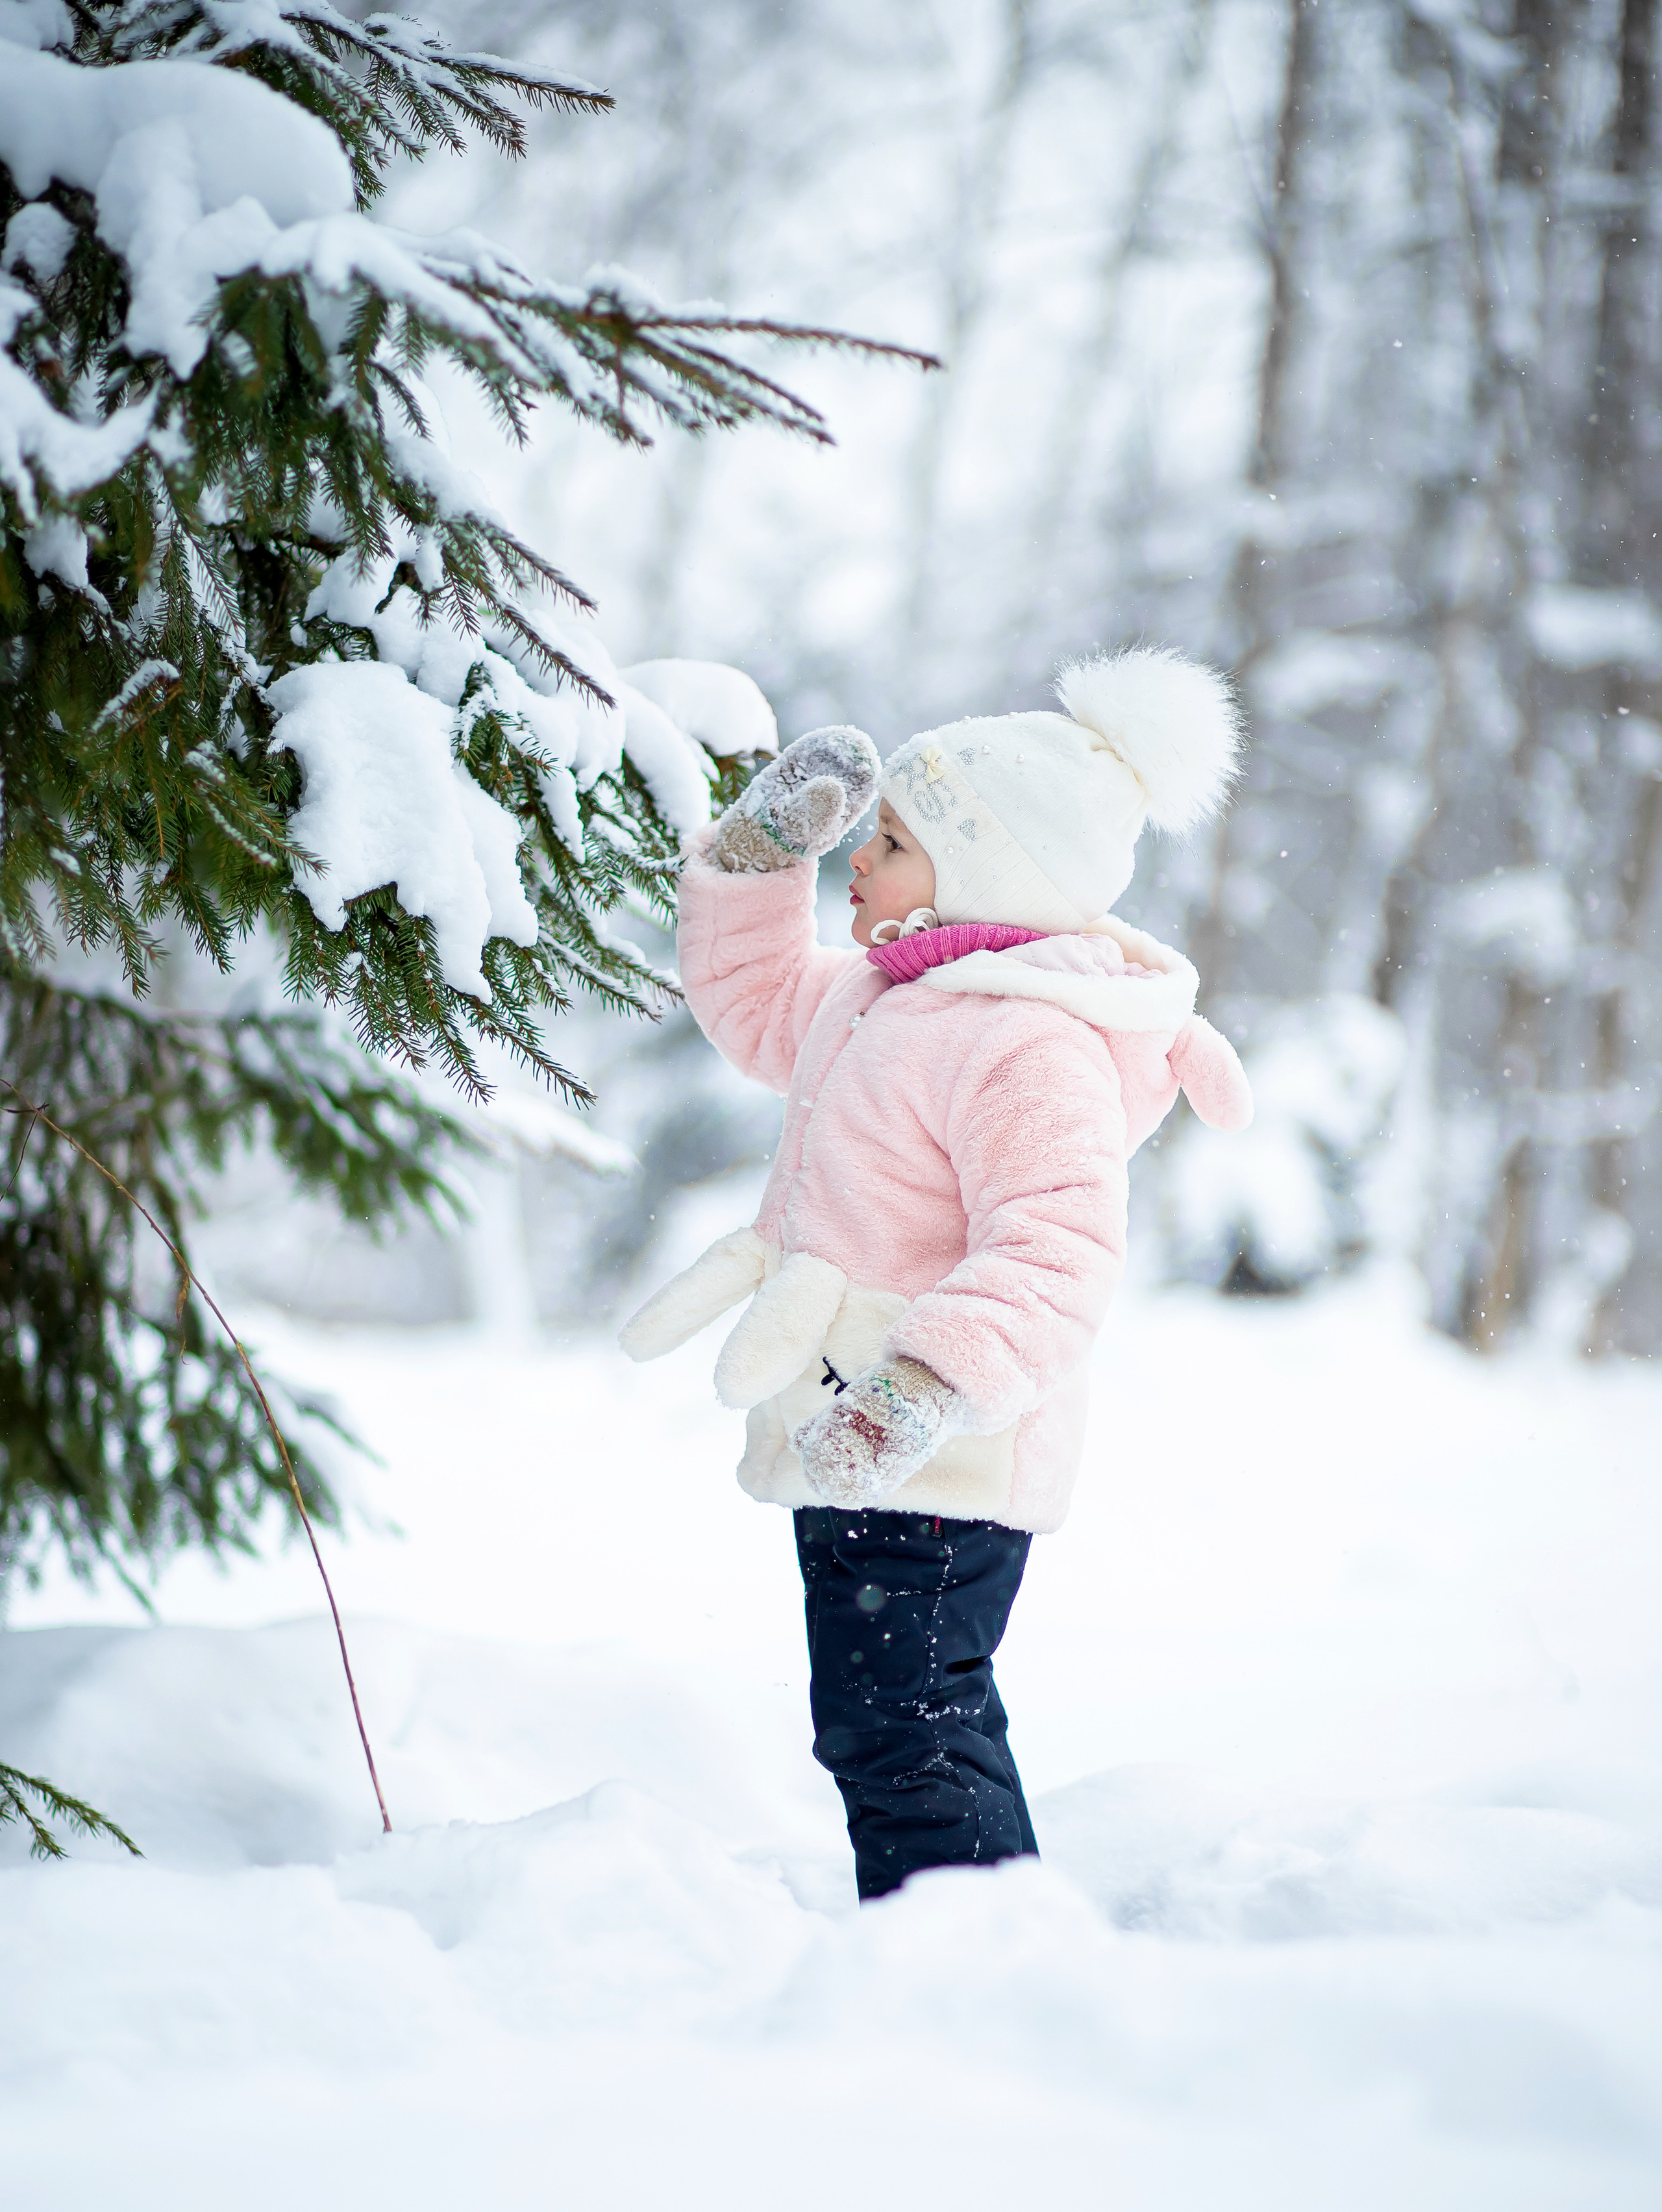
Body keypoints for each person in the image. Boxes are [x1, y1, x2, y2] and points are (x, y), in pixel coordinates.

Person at [621, 648, 1254, 1900]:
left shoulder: (1025, 1044)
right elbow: (754, 1004)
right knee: (893, 1721)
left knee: (906, 1729)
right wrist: (757, 865)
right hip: (848, 1425)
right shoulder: (885, 997)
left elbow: (1060, 1250)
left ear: (984, 873)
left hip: (941, 1451)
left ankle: (970, 1965)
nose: (863, 857)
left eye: (894, 841)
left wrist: (918, 1393)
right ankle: (972, 1938)